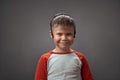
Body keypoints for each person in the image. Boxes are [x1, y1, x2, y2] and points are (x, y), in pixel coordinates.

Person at [34, 13, 93, 80]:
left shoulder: (80, 58)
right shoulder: (45, 59)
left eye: (68, 34)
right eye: (59, 34)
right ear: (51, 34)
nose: (64, 38)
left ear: (74, 34)